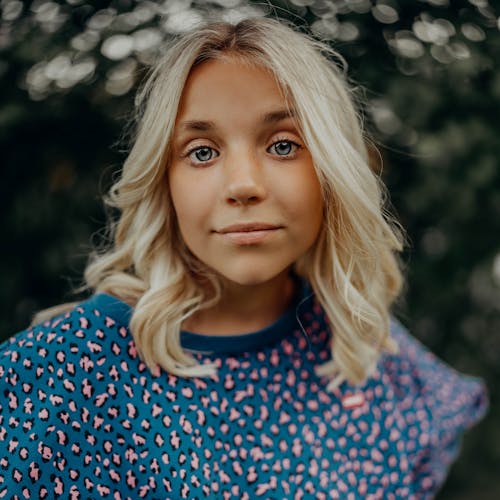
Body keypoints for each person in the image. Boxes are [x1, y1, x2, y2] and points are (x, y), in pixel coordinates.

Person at [0, 17, 487, 499]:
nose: (243, 185)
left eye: (282, 145)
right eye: (202, 152)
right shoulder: (63, 372)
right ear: (163, 181)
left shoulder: (372, 356)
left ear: (333, 172)